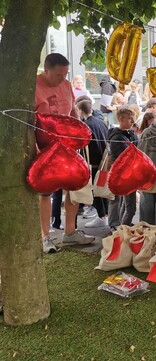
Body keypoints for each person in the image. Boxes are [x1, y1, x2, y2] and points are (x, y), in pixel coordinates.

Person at [35, 53, 94, 252]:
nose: (63, 78)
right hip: (44, 149)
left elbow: (72, 113)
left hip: (68, 146)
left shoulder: (67, 85)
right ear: (47, 69)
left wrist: (79, 132)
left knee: (73, 187)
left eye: (65, 74)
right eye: (59, 75)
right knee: (45, 192)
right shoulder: (34, 86)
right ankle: (45, 236)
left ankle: (70, 232)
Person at [77, 100, 110, 229]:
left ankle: (102, 216)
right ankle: (105, 214)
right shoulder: (100, 122)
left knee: (95, 191)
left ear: (80, 110)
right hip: (103, 160)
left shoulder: (86, 125)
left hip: (93, 162)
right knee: (102, 189)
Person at [107, 107, 139, 229]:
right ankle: (122, 229)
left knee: (125, 204)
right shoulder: (117, 138)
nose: (133, 121)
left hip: (130, 174)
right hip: (123, 174)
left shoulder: (130, 134)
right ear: (121, 119)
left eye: (133, 118)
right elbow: (125, 158)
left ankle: (122, 226)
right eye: (130, 118)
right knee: (129, 206)